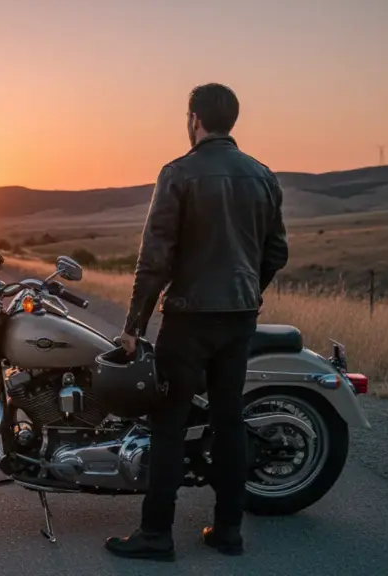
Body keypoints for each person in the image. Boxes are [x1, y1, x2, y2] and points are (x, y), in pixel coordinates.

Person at [103, 83, 289, 561]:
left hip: (188, 318)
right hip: (239, 318)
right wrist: (247, 291)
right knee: (228, 420)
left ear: (194, 120)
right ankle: (228, 532)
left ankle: (156, 535)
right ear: (231, 120)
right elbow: (276, 251)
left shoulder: (179, 174)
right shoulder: (263, 176)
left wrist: (134, 325)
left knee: (168, 424)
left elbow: (155, 259)